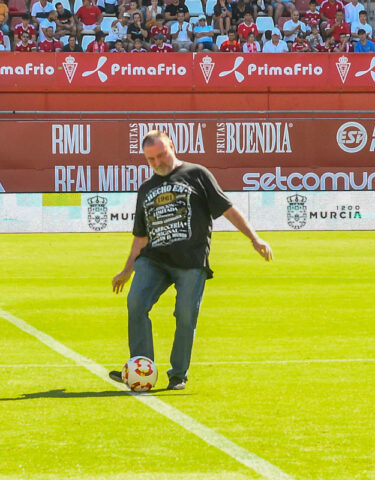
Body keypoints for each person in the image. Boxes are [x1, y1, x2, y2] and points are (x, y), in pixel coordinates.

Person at [108, 130, 272, 390]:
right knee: (136, 302)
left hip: (191, 261)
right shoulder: (147, 188)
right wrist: (127, 269)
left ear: (172, 147)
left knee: (185, 316)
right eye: (151, 159)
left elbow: (228, 210)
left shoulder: (197, 174)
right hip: (154, 260)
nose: (158, 162)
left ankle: (178, 374)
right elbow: (140, 236)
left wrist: (255, 238)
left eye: (161, 155)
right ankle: (141, 368)